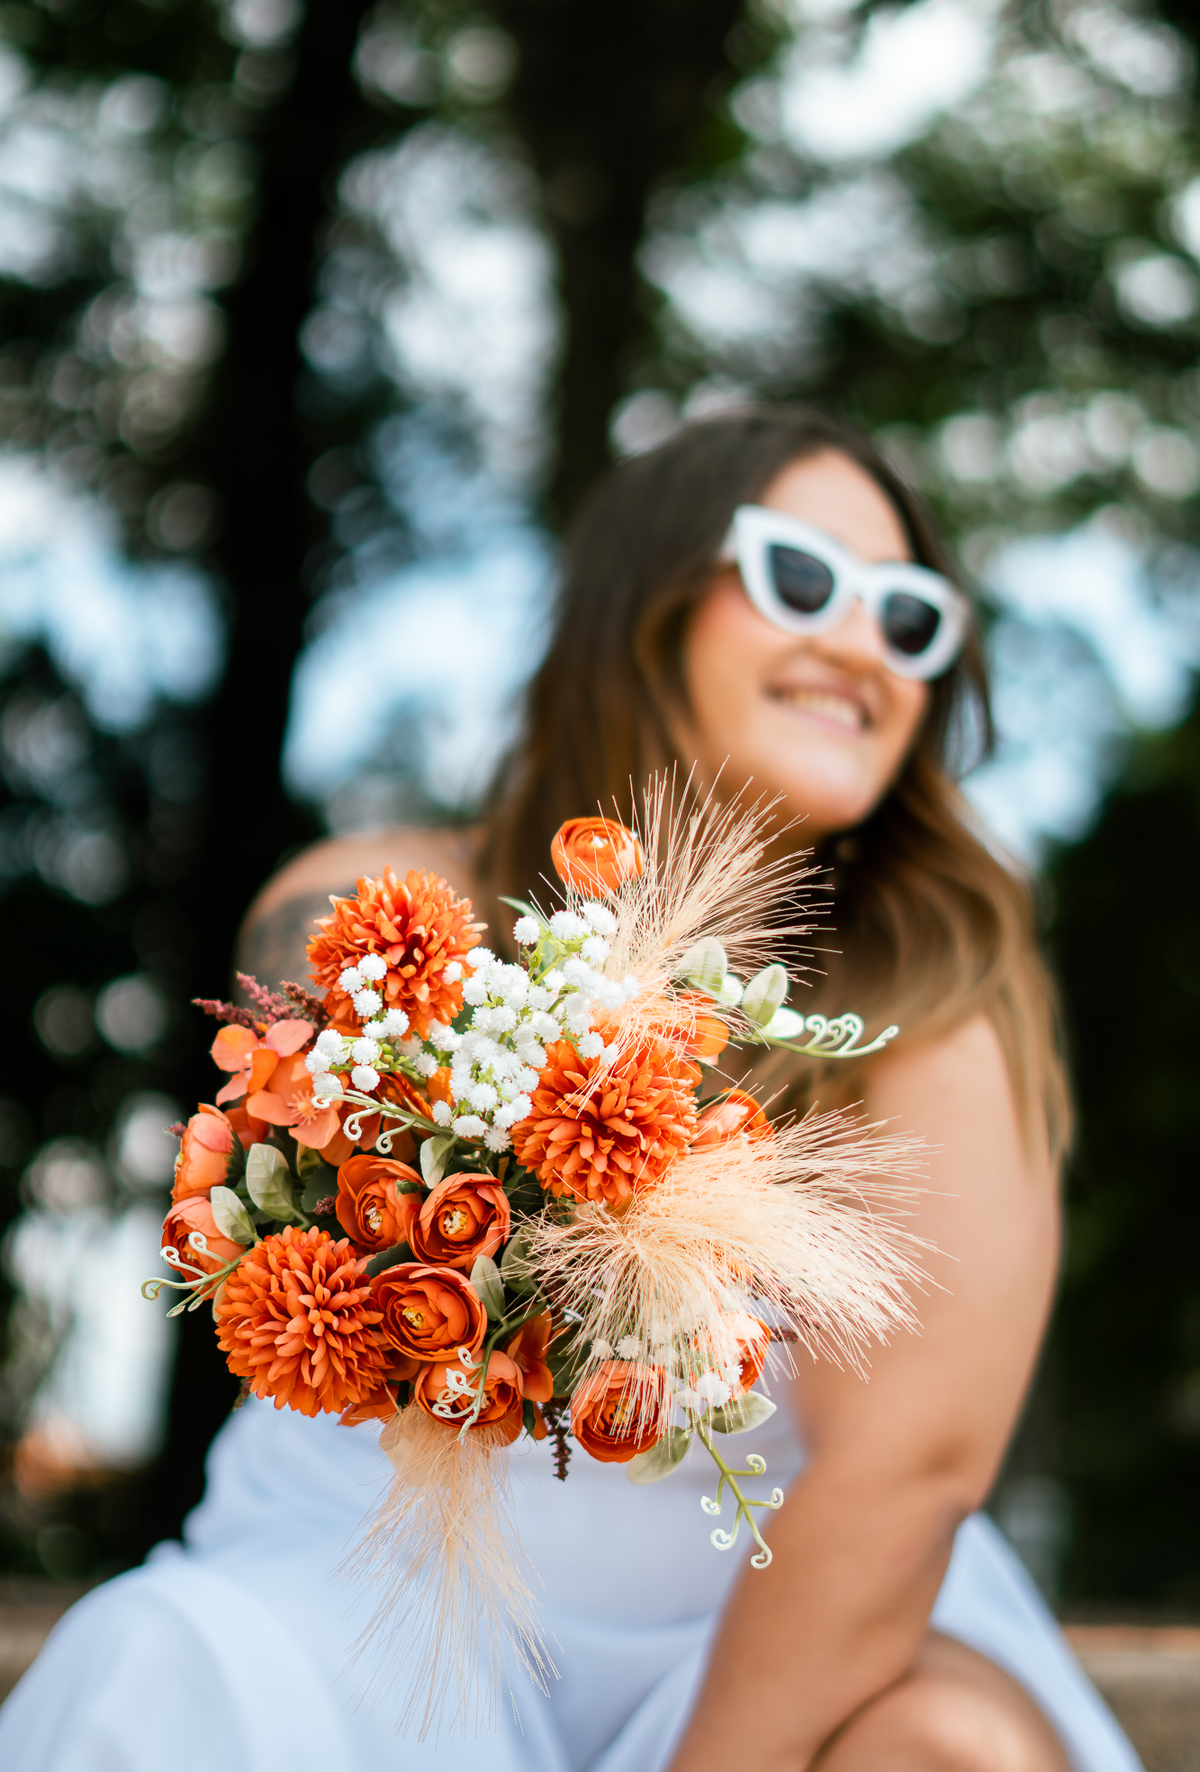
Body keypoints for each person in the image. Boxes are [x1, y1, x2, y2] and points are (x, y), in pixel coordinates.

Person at [0, 407, 1140, 1771]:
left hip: (762, 1634)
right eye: (801, 578)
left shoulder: (941, 1005)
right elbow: (298, 1069)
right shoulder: (371, 904)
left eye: (913, 618)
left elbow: (906, 1474)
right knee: (166, 1667)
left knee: (951, 1750)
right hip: (358, 1601)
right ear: (648, 604)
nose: (860, 645)